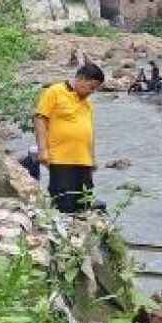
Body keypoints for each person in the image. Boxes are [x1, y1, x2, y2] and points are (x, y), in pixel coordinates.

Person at [35, 64, 104, 214]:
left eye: (95, 89)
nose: (92, 92)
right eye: (91, 87)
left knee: (84, 204)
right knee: (63, 203)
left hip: (84, 161)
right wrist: (42, 149)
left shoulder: (87, 104)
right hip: (61, 159)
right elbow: (40, 119)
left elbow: (90, 131)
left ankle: (80, 235)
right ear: (81, 78)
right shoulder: (55, 92)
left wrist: (92, 158)